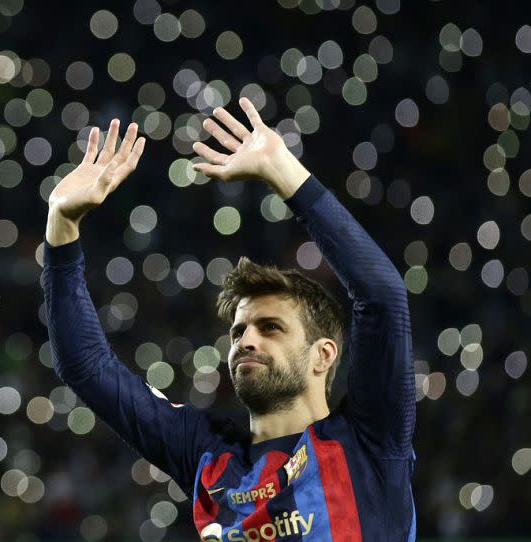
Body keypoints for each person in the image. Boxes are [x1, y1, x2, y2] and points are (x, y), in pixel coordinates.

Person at [41, 96, 416, 541]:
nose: (246, 341)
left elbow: (382, 297)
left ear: (323, 355)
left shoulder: (370, 441)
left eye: (270, 327)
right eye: (239, 330)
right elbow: (86, 365)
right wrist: (61, 225)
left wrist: (282, 170)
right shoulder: (206, 455)